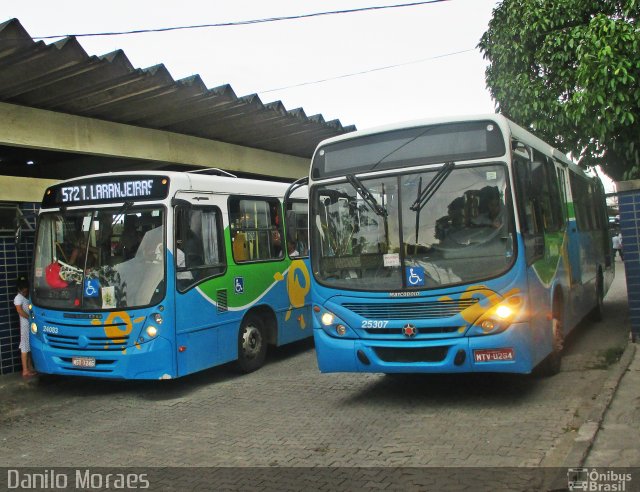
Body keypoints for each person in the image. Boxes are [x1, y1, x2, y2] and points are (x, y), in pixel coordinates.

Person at [14, 277, 36, 377]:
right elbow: (19, 310)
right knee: (24, 347)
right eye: (23, 288)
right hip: (25, 326)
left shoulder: (25, 297)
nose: (25, 289)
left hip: (29, 325)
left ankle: (29, 367)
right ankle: (25, 370)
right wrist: (29, 318)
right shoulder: (18, 298)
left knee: (29, 347)